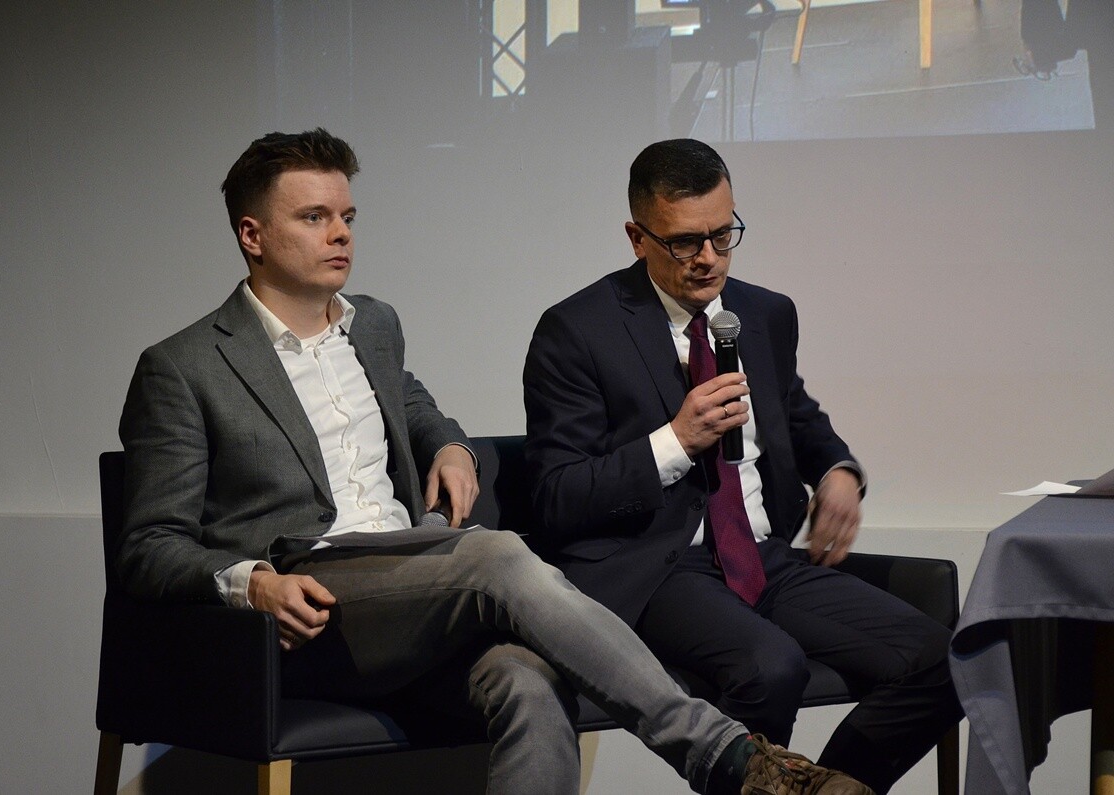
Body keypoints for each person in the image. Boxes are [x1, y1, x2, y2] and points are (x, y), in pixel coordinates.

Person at [117, 129, 873, 795]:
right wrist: (252, 582)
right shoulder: (183, 367)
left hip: (411, 581)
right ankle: (727, 757)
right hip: (307, 608)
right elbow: (148, 546)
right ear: (252, 234)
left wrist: (448, 442)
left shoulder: (372, 325)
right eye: (314, 217)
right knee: (496, 554)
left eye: (347, 216)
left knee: (528, 679)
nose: (340, 232)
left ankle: (737, 762)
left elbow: (412, 403)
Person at [522, 138, 962, 794]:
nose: (709, 258)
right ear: (637, 238)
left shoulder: (762, 314)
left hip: (762, 557)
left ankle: (820, 789)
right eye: (684, 242)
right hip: (660, 566)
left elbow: (796, 416)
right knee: (771, 666)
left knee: (943, 659)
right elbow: (556, 496)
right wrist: (676, 440)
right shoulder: (577, 330)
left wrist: (839, 470)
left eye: (723, 235)